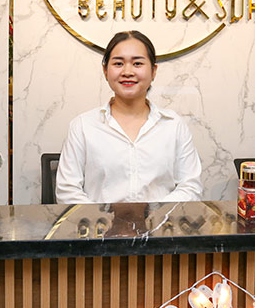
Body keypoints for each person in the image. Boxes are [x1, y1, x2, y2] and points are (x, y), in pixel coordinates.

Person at [55, 30, 203, 204]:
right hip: (99, 221)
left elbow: (191, 187)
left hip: (161, 221)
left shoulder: (173, 125)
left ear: (153, 71)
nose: (127, 71)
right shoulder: (83, 126)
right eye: (118, 63)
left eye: (137, 63)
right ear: (105, 70)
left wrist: (154, 214)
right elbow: (67, 191)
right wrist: (105, 218)